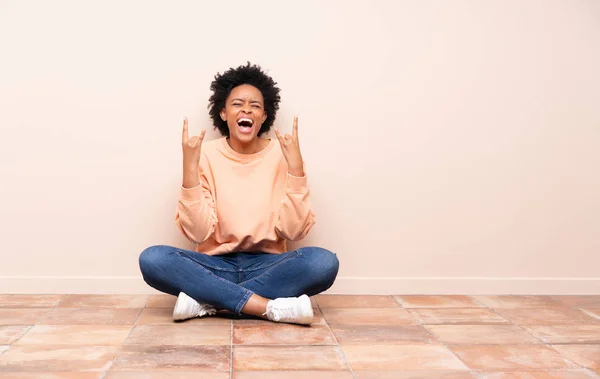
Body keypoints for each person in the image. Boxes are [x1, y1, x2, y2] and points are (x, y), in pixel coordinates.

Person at [138, 63, 339, 325]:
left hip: (269, 266)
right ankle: (266, 307)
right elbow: (198, 234)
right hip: (213, 266)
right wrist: (189, 169)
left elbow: (294, 231)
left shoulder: (283, 155)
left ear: (264, 116)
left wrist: (297, 170)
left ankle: (211, 302)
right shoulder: (205, 155)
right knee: (153, 259)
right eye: (237, 104)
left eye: (255, 105)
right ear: (223, 113)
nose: (246, 109)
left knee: (323, 263)